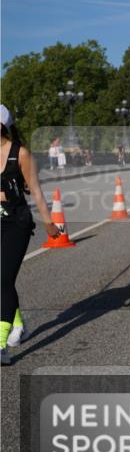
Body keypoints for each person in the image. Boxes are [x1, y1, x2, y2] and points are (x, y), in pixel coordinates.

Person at [1, 105, 60, 365]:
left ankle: (1, 343)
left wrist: (49, 223)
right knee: (3, 280)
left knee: (2, 279)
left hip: (16, 223)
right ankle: (19, 325)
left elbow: (35, 191)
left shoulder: (20, 154)